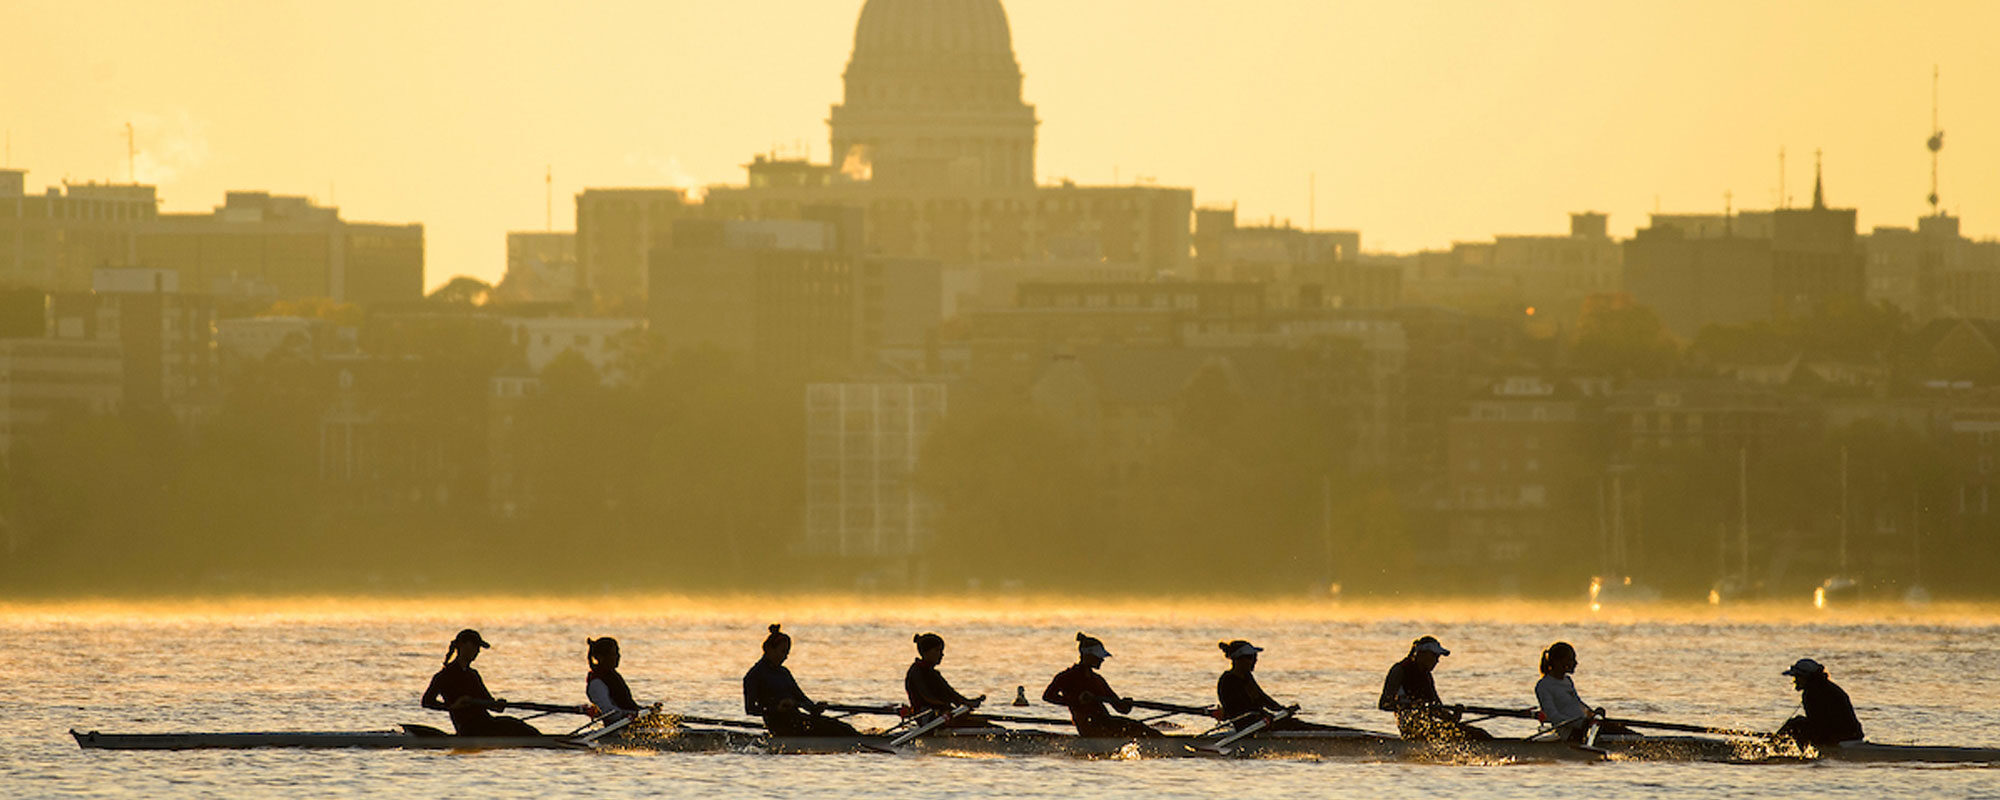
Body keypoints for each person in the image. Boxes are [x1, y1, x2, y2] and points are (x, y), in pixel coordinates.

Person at [743, 624, 861, 737]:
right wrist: (776, 708)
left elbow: (802, 699)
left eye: (787, 653)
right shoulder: (754, 676)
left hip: (797, 720)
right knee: (833, 729)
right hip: (781, 726)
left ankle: (864, 739)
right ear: (768, 649)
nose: (785, 657)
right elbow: (750, 709)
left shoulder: (784, 673)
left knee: (842, 727)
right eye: (783, 652)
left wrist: (815, 708)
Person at [420, 629, 542, 737]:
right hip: (468, 729)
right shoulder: (444, 676)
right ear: (462, 645)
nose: (478, 651)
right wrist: (452, 707)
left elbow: (489, 703)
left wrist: (498, 705)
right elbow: (426, 702)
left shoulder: (473, 675)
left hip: (487, 723)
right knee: (511, 725)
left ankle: (544, 741)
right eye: (475, 646)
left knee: (515, 724)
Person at [1042, 633, 1159, 739]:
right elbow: (1047, 696)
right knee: (1139, 729)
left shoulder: (1098, 680)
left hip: (1105, 723)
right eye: (1099, 657)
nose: (1102, 660)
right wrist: (1076, 700)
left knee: (1144, 730)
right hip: (1089, 727)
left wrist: (1126, 703)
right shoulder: (1066, 677)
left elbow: (1121, 709)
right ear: (1087, 656)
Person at [1378, 635, 1491, 742]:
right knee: (1475, 735)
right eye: (1435, 656)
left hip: (1429, 728)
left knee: (1479, 734)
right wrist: (1412, 705)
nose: (1437, 661)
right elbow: (1384, 704)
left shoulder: (1426, 676)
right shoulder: (1399, 671)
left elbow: (1438, 710)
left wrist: (1454, 715)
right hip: (1411, 730)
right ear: (1421, 654)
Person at [1214, 639, 1343, 732]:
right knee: (1297, 726)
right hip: (1248, 727)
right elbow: (1238, 709)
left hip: (1260, 722)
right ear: (1238, 660)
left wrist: (1282, 709)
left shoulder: (1247, 677)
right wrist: (1262, 715)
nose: (1255, 661)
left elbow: (1263, 698)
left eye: (1255, 657)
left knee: (1301, 725)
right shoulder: (1228, 681)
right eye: (1250, 657)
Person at [1534, 642, 1635, 742]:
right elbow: (1554, 717)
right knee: (1615, 731)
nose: (1575, 663)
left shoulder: (1567, 681)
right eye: (1570, 659)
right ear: (1557, 661)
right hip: (1571, 733)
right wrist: (1580, 723)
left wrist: (1592, 714)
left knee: (1622, 730)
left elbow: (1578, 704)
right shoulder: (1543, 686)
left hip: (1586, 727)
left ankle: (1641, 741)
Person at [905, 632, 999, 729]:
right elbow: (927, 697)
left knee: (985, 723)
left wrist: (967, 702)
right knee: (984, 726)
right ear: (925, 652)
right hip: (927, 717)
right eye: (937, 650)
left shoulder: (934, 673)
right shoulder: (916, 672)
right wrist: (946, 707)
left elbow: (951, 694)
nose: (942, 654)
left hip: (942, 715)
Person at [1774, 658, 1864, 749]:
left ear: (1806, 677)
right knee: (1798, 723)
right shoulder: (1824, 687)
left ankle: (1775, 746)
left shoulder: (1813, 693)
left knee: (1796, 724)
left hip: (1841, 737)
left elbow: (1818, 724)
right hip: (1850, 734)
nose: (1794, 681)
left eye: (1797, 677)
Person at [585, 637, 646, 721]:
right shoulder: (596, 684)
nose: (618, 656)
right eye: (614, 653)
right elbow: (609, 714)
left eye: (618, 653)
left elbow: (627, 705)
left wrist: (643, 710)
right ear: (600, 657)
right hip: (616, 728)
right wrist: (632, 714)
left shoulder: (613, 677)